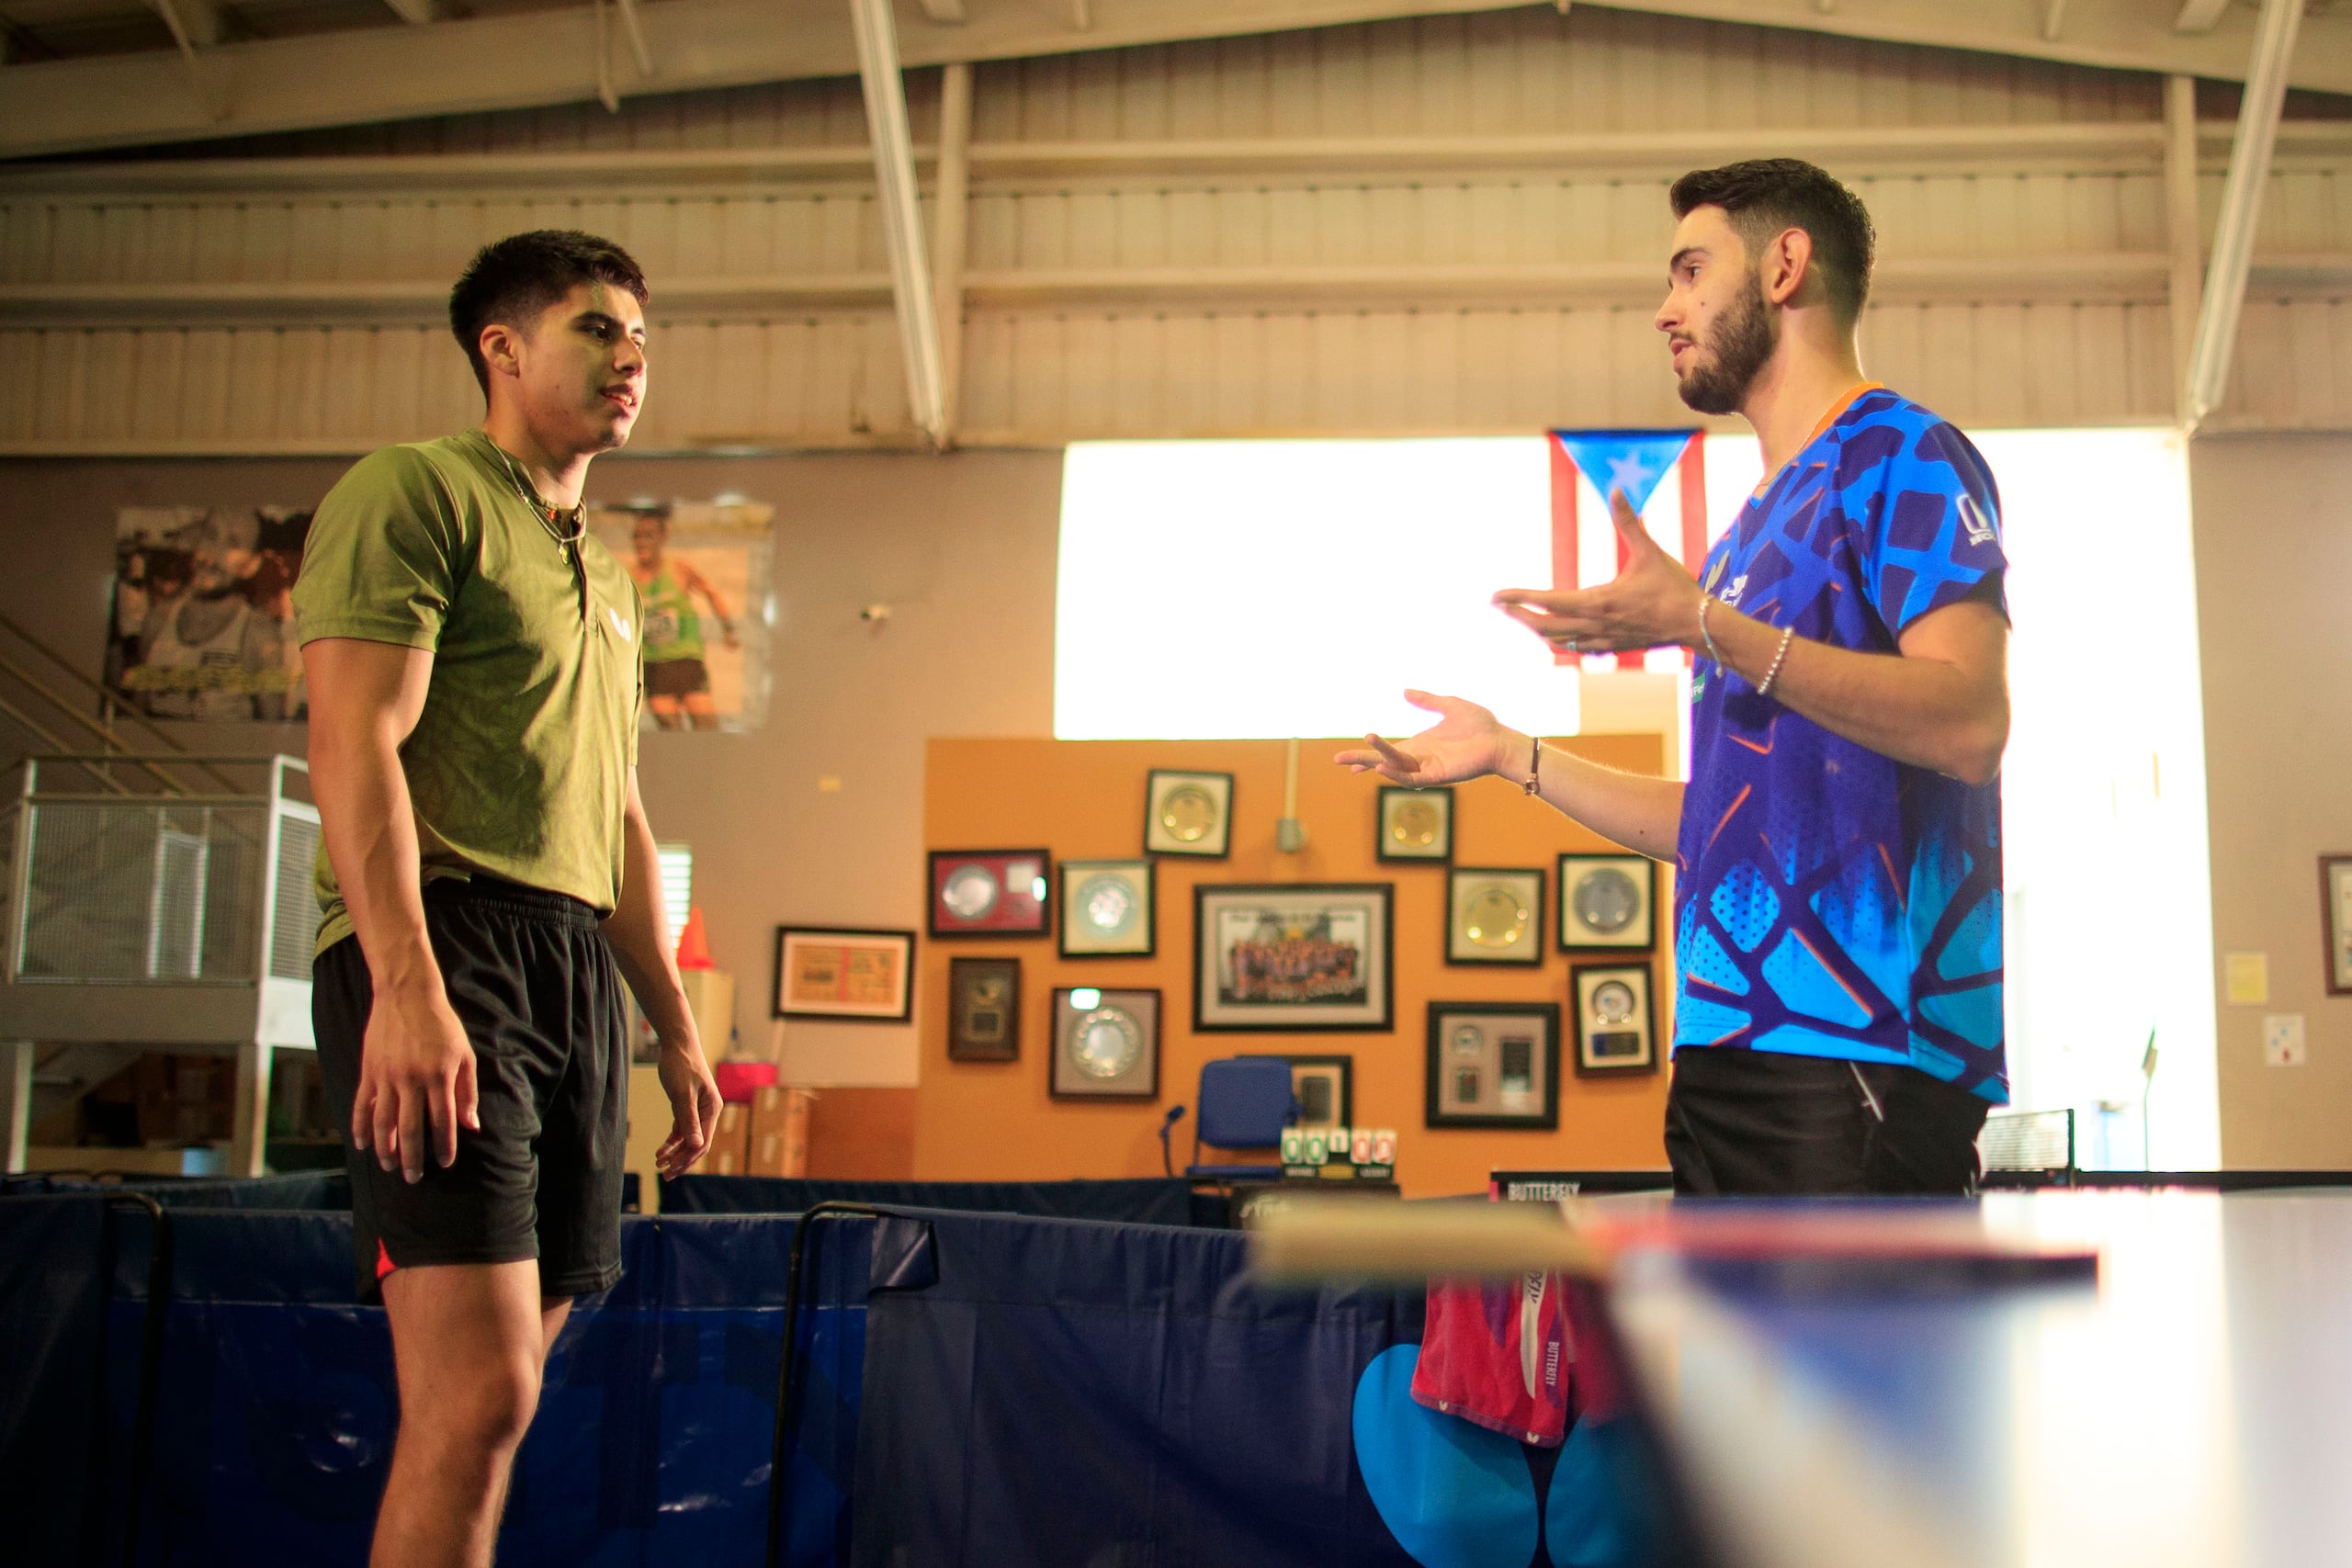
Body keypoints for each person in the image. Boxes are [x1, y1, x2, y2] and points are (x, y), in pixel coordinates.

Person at [1340, 159, 2010, 1197]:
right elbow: (1721, 819)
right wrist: (1512, 754)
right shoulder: (1745, 537)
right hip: (1724, 1042)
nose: (1665, 309)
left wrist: (1705, 625)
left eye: (1691, 271)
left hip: (1859, 1050)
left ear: (1785, 267)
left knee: (1838, 1370)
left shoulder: (1903, 454)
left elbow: (1970, 723)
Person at [291, 230, 723, 1568]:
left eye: (643, 336)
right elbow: (352, 740)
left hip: (569, 965)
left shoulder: (609, 573)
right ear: (504, 346)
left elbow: (622, 813)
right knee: (477, 1395)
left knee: (503, 1397)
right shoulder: (416, 491)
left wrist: (674, 1024)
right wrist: (408, 988)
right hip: (443, 939)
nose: (631, 358)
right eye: (598, 329)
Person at [627, 509, 740, 730]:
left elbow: (712, 592)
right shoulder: (628, 577)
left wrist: (728, 629)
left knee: (707, 725)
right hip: (653, 665)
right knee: (671, 728)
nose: (641, 542)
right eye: (636, 536)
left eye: (648, 535)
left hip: (686, 660)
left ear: (662, 538)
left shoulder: (678, 569)